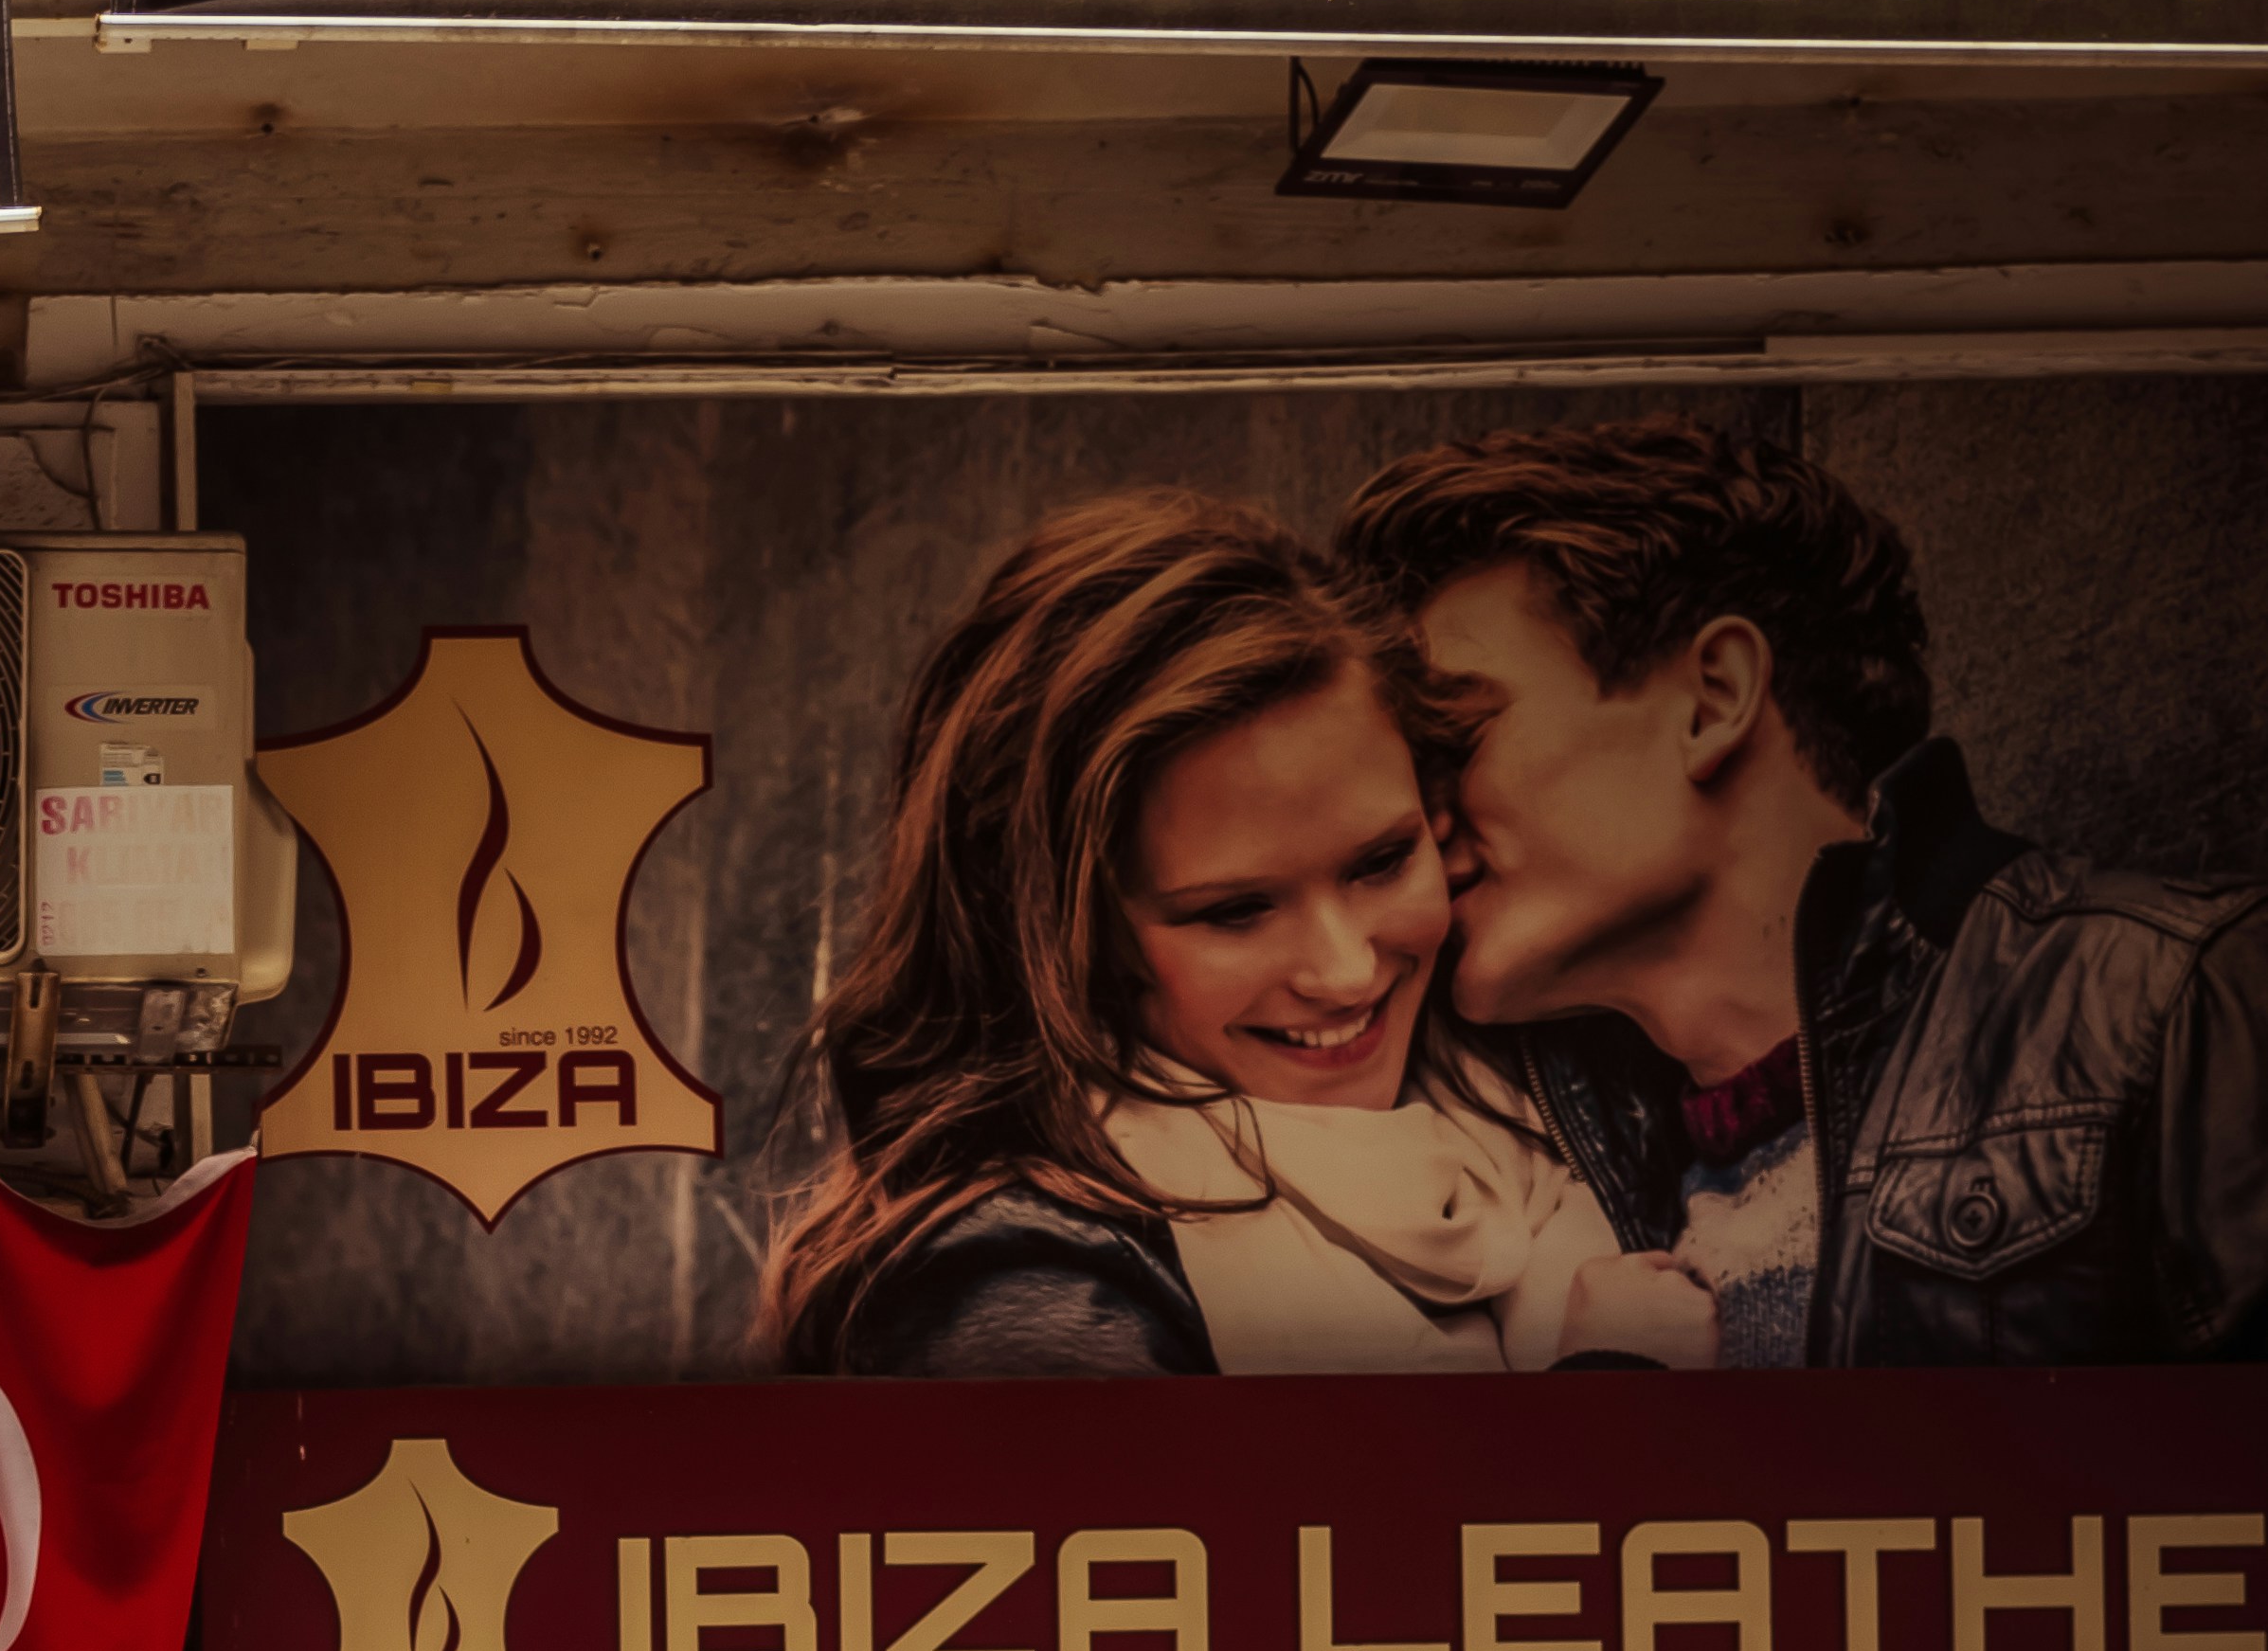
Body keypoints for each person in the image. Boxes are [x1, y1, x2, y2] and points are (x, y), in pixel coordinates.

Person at [1337, 404, 2268, 1370]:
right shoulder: (1533, 1160)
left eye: (1452, 743)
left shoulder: (2175, 1005)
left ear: (1714, 698)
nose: (1416, 821)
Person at [758, 489, 1713, 1382]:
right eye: (1233, 911)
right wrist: (1605, 1400)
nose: (1344, 972)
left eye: (1379, 862)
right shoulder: (1024, 1291)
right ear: (1069, 938)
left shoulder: (1561, 1112)